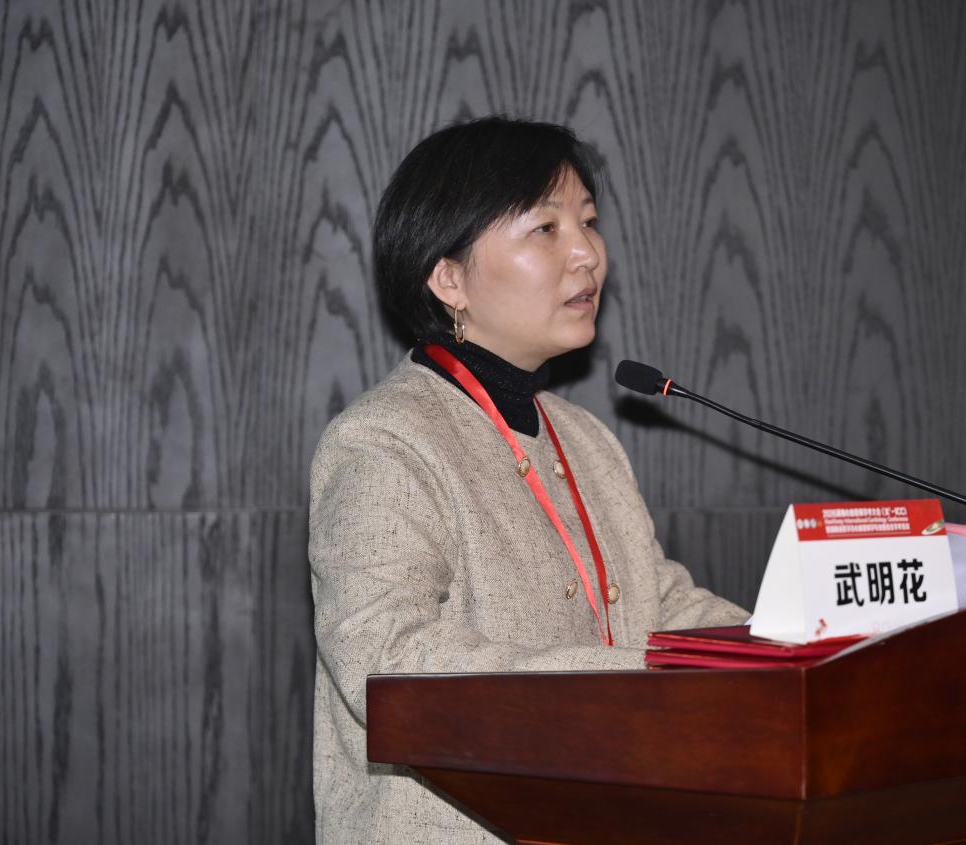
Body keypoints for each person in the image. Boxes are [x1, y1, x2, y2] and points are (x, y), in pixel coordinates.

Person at [309, 116, 748, 844]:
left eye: (589, 222)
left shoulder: (587, 439)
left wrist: (806, 647)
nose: (588, 254)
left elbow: (661, 605)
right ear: (449, 278)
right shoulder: (385, 441)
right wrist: (635, 680)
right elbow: (387, 665)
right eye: (546, 228)